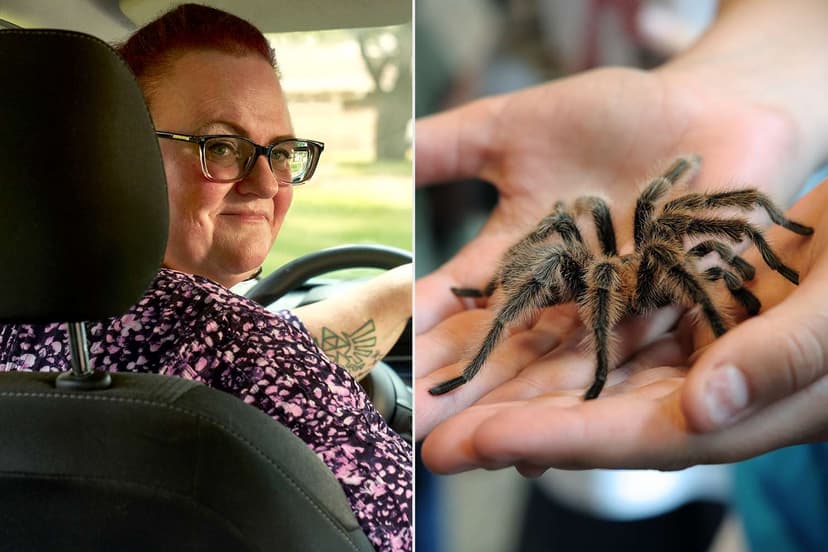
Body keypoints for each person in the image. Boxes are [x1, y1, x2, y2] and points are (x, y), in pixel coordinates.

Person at [416, 0, 828, 547]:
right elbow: (584, 226)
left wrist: (769, 236)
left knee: (670, 221)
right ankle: (479, 354)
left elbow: (703, 217)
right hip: (582, 279)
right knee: (587, 245)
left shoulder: (666, 248)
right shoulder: (608, 269)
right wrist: (601, 370)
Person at [0, 4, 411, 551]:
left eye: (282, 153)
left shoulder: (32, 334)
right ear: (118, 153)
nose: (267, 184)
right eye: (220, 147)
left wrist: (409, 288)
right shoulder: (244, 351)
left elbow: (261, 352)